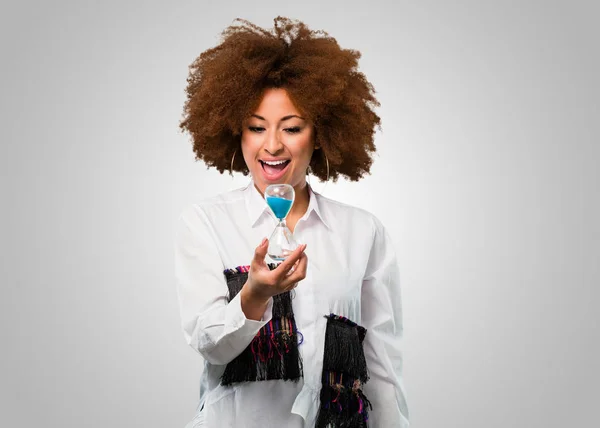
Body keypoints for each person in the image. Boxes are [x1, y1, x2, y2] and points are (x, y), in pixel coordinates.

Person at [175, 16, 409, 428]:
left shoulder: (362, 232)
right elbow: (209, 344)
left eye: (292, 127)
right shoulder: (206, 222)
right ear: (237, 134)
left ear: (319, 134)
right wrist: (253, 297)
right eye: (256, 127)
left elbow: (381, 368)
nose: (272, 145)